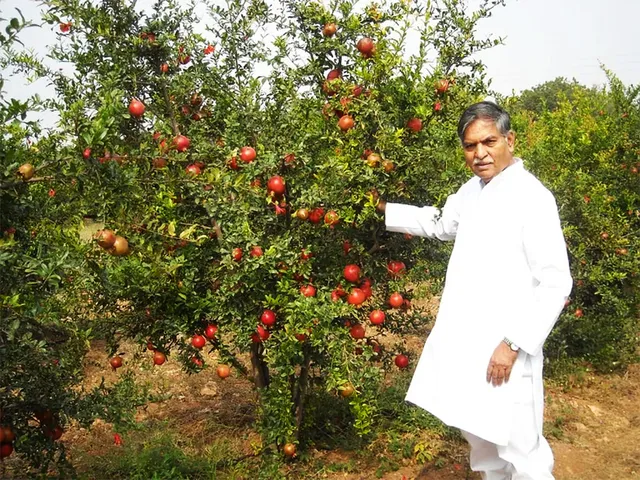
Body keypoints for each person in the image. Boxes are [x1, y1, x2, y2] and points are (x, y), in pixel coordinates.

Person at [377, 101, 572, 479]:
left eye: (489, 141)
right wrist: (384, 210)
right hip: (468, 342)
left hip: (507, 348)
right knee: (481, 442)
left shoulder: (533, 198)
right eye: (470, 146)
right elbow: (440, 223)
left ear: (509, 140)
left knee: (522, 450)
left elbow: (555, 282)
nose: (480, 153)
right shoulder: (472, 190)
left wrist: (513, 344)